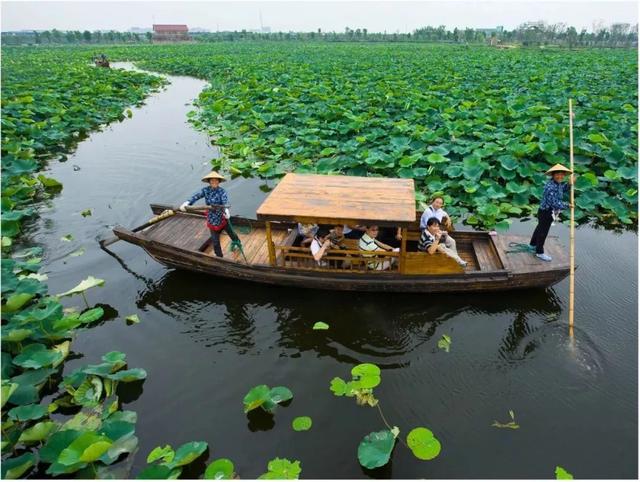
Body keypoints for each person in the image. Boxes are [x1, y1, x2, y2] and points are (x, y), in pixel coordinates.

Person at [180, 171, 240, 258]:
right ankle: (219, 257)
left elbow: (225, 202)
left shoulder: (222, 191)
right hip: (212, 218)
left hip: (222, 216)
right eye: (212, 181)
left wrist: (226, 210)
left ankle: (237, 242)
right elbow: (196, 196)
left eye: (216, 181)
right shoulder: (205, 190)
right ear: (209, 181)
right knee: (215, 241)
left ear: (219, 182)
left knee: (232, 233)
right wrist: (188, 202)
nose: (214, 182)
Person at [529, 163, 574, 261]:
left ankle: (533, 244)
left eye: (562, 174)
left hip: (545, 211)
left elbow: (562, 190)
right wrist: (568, 205)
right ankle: (539, 252)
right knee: (543, 232)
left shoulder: (557, 184)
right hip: (546, 212)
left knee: (539, 228)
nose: (560, 176)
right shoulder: (550, 187)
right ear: (553, 175)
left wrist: (569, 184)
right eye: (557, 174)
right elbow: (555, 203)